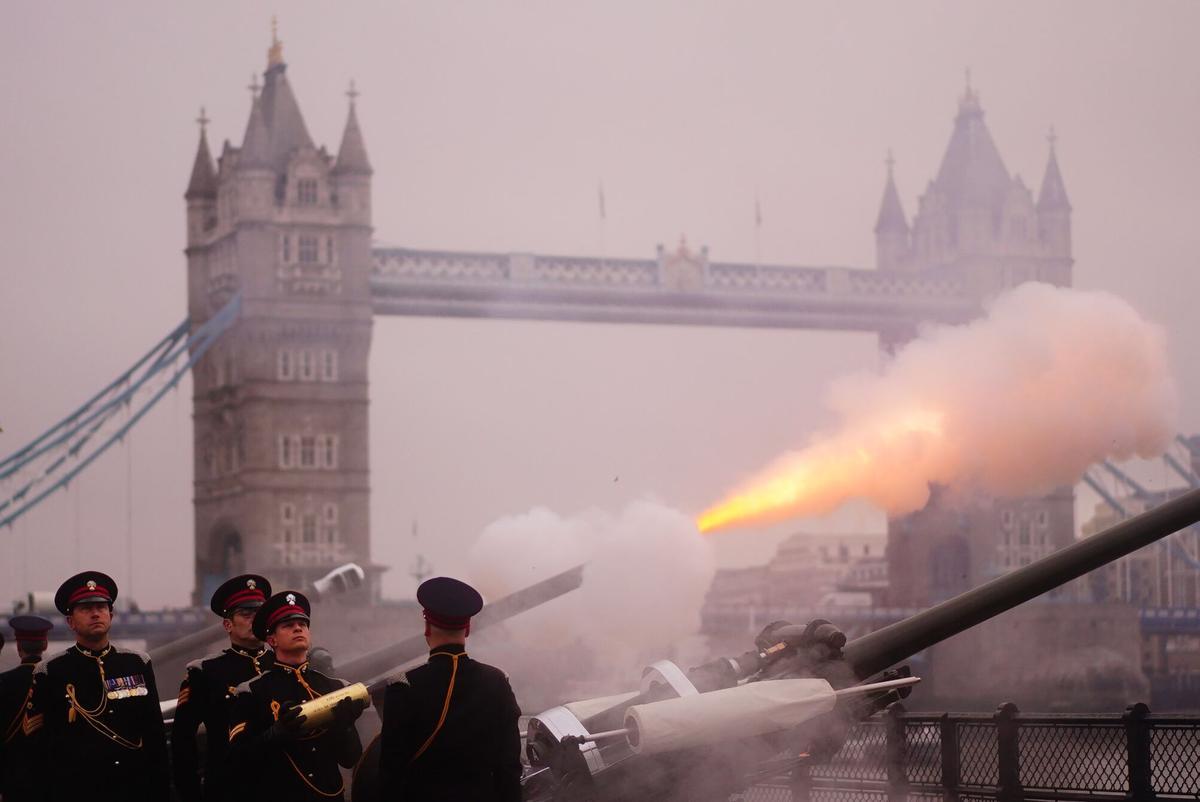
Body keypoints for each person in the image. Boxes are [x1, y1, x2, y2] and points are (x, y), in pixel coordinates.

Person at [25, 571, 169, 801]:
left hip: (133, 787)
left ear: (110, 615)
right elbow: (37, 748)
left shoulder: (137, 663)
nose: (95, 614)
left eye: (101, 608)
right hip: (78, 790)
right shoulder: (51, 671)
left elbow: (155, 736)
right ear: (70, 621)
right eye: (86, 609)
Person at [379, 576, 523, 802]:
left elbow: (390, 774)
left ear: (427, 628)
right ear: (467, 629)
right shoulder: (497, 682)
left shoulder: (403, 686)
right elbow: (510, 768)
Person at [227, 590, 364, 800]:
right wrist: (277, 733)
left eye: (303, 624)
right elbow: (238, 760)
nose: (298, 628)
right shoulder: (252, 692)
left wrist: (344, 726)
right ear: (272, 639)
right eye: (288, 625)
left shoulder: (332, 687)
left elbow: (349, 758)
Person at [172, 574, 275, 802]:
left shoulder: (282, 664)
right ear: (228, 624)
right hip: (231, 787)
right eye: (246, 615)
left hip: (281, 784)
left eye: (259, 614)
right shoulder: (206, 673)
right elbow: (183, 742)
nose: (254, 620)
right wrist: (191, 794)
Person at [0, 615, 52, 801]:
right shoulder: (60, 681)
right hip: (52, 781)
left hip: (13, 782)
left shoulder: (3, 683)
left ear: (18, 646)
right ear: (45, 645)